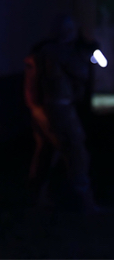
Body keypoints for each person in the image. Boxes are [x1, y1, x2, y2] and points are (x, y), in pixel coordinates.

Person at [24, 14, 98, 212]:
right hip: (57, 109)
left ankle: (37, 197)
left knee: (46, 152)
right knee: (76, 152)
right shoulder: (57, 52)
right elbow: (80, 71)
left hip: (44, 109)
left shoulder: (45, 51)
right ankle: (83, 201)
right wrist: (86, 55)